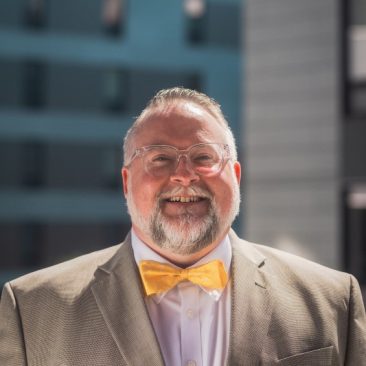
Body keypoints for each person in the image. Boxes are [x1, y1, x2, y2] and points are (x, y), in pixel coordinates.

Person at [0, 87, 365, 366]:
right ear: (126, 182)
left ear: (235, 176)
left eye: (204, 157)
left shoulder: (333, 301)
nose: (184, 175)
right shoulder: (32, 311)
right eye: (160, 158)